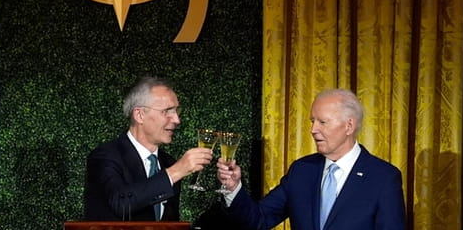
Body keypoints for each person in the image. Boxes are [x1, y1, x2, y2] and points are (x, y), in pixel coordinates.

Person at [216, 88, 406, 230]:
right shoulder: (302, 170)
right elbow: (259, 219)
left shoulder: (383, 177)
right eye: (312, 121)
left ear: (349, 126)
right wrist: (234, 188)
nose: (313, 130)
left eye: (322, 122)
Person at [85, 76, 213, 221]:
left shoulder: (168, 162)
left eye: (177, 111)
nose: (177, 120)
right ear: (140, 115)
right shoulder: (104, 157)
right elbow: (121, 204)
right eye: (167, 111)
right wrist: (177, 171)